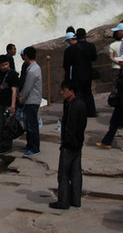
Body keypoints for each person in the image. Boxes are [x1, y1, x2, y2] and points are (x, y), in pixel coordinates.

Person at [49, 81, 87, 210]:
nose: (62, 93)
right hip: (78, 144)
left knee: (64, 175)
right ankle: (76, 199)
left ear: (71, 91)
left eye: (64, 90)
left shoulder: (73, 106)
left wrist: (66, 143)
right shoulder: (80, 104)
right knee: (76, 174)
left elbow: (70, 127)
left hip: (69, 145)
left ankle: (63, 201)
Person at [97, 54, 123, 151]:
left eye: (121, 61)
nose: (119, 63)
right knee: (114, 122)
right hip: (120, 102)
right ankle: (106, 142)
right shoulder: (122, 72)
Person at [63, 28, 98, 118]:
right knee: (88, 93)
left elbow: (66, 64)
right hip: (88, 73)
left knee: (78, 94)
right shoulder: (91, 46)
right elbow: (94, 58)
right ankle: (91, 112)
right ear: (85, 35)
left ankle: (79, 112)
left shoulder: (71, 49)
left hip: (76, 75)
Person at [19, 46, 43, 157]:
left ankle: (35, 148)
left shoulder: (32, 70)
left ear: (27, 56)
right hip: (32, 100)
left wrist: (21, 98)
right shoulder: (34, 67)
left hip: (31, 100)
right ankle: (30, 145)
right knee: (29, 124)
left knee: (32, 125)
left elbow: (27, 87)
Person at [0, 54, 20, 153]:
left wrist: (13, 105)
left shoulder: (13, 74)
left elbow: (14, 90)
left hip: (9, 104)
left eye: (6, 64)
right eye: (2, 65)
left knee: (7, 125)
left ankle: (7, 146)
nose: (5, 66)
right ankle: (0, 144)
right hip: (0, 102)